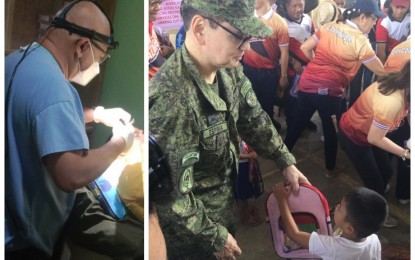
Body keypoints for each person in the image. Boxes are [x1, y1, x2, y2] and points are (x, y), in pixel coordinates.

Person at [149, 0, 310, 258]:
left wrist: (285, 160)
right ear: (201, 29)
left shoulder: (227, 68)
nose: (247, 47)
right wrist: (215, 238)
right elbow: (170, 199)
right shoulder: (170, 101)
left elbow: (253, 116)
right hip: (193, 239)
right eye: (239, 36)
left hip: (223, 209)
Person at [5, 1, 135, 258]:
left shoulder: (18, 60)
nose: (97, 66)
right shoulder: (55, 89)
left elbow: (36, 115)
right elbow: (71, 175)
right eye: (100, 58)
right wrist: (121, 142)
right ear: (83, 46)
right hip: (23, 241)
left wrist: (96, 114)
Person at [283, 0, 386, 178]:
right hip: (329, 94)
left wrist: (316, 64)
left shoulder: (328, 27)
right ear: (362, 17)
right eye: (373, 19)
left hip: (307, 85)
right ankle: (330, 170)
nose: (375, 23)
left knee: (297, 124)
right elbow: (381, 71)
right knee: (330, 131)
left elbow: (305, 47)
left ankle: (282, 161)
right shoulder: (361, 41)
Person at [338, 61, 410, 228]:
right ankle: (369, 217)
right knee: (376, 184)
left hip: (367, 133)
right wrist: (406, 153)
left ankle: (374, 194)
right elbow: (375, 139)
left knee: (386, 171)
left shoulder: (400, 81)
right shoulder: (392, 102)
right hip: (354, 137)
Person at [273, 184, 388, 259]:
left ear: (349, 229)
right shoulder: (374, 240)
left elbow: (295, 234)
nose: (336, 207)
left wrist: (281, 200)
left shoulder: (333, 248)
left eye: (340, 208)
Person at [243, 0, 290, 132]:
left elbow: (284, 52)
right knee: (248, 105)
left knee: (267, 106)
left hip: (269, 74)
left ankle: (265, 134)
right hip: (248, 70)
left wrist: (284, 76)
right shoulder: (246, 17)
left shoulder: (279, 22)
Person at [279, 0, 317, 133]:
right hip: (291, 69)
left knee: (306, 97)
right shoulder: (282, 22)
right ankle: (292, 125)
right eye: (294, 6)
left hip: (309, 67)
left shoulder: (308, 19)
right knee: (292, 100)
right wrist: (292, 61)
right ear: (286, 5)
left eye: (301, 5)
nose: (298, 9)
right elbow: (279, 49)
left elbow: (314, 38)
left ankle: (305, 120)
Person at [383, 37, 411, 205]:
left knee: (386, 146)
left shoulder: (399, 47)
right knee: (406, 154)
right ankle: (403, 194)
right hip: (404, 110)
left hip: (388, 107)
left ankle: (383, 182)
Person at [375, 0, 410, 64]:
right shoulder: (384, 21)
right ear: (391, 5)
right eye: (397, 7)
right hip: (390, 53)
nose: (400, 11)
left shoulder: (410, 17)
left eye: (403, 7)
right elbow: (381, 51)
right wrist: (383, 71)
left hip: (407, 52)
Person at [237, 139, 262, 226]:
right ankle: (244, 216)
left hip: (246, 162)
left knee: (247, 187)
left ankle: (246, 208)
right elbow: (232, 154)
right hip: (240, 165)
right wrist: (249, 155)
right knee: (242, 191)